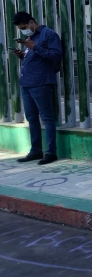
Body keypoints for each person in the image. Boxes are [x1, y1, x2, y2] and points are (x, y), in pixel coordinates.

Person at [11, 12, 62, 165]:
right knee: (32, 119)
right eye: (21, 28)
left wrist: (35, 47)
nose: (24, 30)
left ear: (32, 22)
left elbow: (56, 56)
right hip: (26, 83)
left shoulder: (49, 34)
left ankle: (51, 152)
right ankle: (36, 150)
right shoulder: (30, 38)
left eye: (25, 27)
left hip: (41, 82)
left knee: (46, 118)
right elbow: (33, 57)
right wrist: (21, 55)